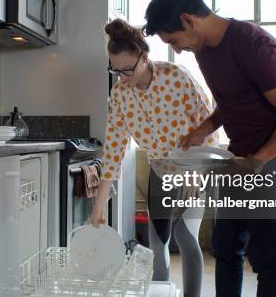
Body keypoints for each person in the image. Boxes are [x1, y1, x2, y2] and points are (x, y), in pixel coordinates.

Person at [143, 0, 276, 297]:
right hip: (239, 158)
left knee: (266, 257)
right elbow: (234, 99)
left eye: (174, 41)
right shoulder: (204, 49)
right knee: (226, 247)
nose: (177, 51)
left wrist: (257, 162)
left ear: (189, 21)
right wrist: (203, 129)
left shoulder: (254, 46)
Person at [91, 18, 216, 297]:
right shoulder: (120, 95)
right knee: (158, 242)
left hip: (192, 170)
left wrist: (196, 173)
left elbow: (207, 127)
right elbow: (113, 150)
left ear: (144, 57)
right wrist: (98, 205)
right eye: (116, 70)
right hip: (160, 172)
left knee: (186, 236)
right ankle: (162, 292)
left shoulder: (176, 77)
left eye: (127, 69)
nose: (123, 77)